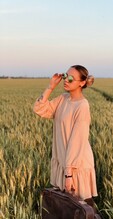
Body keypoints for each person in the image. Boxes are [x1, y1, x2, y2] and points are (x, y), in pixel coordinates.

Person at [33, 65, 98, 203]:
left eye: (71, 78)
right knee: (69, 210)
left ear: (82, 83)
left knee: (83, 206)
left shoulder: (82, 105)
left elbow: (77, 140)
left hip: (76, 165)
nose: (66, 80)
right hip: (64, 162)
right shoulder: (62, 99)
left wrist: (69, 174)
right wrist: (50, 87)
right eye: (65, 76)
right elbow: (39, 109)